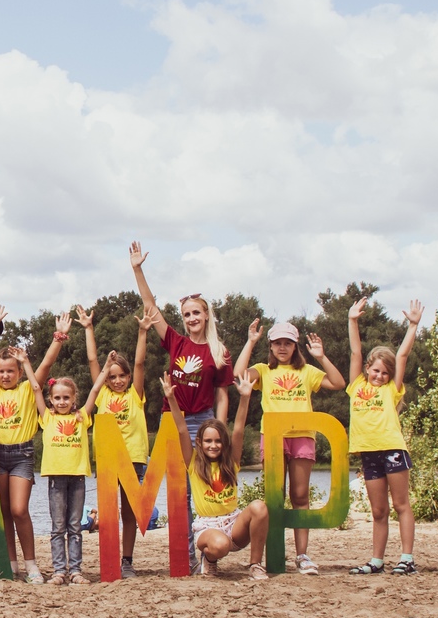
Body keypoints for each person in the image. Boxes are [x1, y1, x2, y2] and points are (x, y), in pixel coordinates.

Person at [129, 241, 233, 572]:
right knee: (180, 495)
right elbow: (151, 307)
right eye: (187, 314)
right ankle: (185, 559)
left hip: (204, 423)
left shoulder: (219, 351)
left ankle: (207, 556)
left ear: (207, 316)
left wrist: (220, 429)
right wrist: (137, 269)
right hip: (172, 421)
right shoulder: (176, 341)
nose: (191, 319)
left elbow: (223, 394)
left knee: (204, 491)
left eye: (197, 313)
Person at [235, 319, 346, 575]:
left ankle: (302, 555)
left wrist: (322, 356)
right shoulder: (263, 370)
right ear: (271, 347)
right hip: (273, 437)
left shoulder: (307, 371)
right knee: (274, 498)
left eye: (287, 343)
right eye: (277, 343)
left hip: (303, 435)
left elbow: (338, 383)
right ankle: (269, 555)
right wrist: (250, 342)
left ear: (296, 346)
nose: (282, 348)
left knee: (300, 497)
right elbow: (238, 374)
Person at [0, 305, 69, 584]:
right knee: (3, 512)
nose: (5, 375)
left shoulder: (26, 389)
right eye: (0, 371)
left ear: (19, 372)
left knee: (19, 510)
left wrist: (58, 338)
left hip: (21, 454)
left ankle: (31, 564)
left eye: (10, 371)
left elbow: (44, 366)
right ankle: (11, 563)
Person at [162, 373, 270, 580]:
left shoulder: (231, 462)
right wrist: (171, 398)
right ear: (200, 443)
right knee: (220, 545)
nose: (213, 445)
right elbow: (183, 430)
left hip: (233, 522)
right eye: (208, 441)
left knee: (259, 507)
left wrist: (245, 397)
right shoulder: (193, 463)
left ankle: (256, 564)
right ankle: (209, 559)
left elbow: (238, 429)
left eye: (218, 441)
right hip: (208, 527)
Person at [79, 304, 157, 579]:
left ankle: (127, 560)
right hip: (109, 458)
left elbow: (139, 363)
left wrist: (143, 332)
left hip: (133, 458)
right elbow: (92, 364)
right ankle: (110, 559)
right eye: (112, 377)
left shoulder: (135, 395)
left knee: (129, 512)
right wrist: (89, 328)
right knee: (109, 512)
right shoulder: (101, 396)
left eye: (122, 376)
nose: (118, 380)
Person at [347, 298, 423, 575]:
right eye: (376, 370)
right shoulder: (356, 386)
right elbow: (356, 351)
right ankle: (377, 560)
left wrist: (412, 325)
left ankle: (407, 558)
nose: (379, 375)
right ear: (368, 368)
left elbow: (402, 355)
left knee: (401, 504)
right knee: (378, 511)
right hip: (369, 452)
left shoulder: (391, 389)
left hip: (392, 449)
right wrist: (352, 320)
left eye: (385, 373)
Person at [38, 374, 105, 585]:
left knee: (75, 526)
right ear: (50, 400)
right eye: (57, 398)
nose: (62, 402)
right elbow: (34, 388)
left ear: (74, 397)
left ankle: (75, 571)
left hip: (77, 478)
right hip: (56, 480)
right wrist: (25, 363)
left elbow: (95, 390)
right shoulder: (47, 418)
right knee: (58, 527)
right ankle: (59, 571)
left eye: (66, 397)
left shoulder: (82, 417)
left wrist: (106, 368)